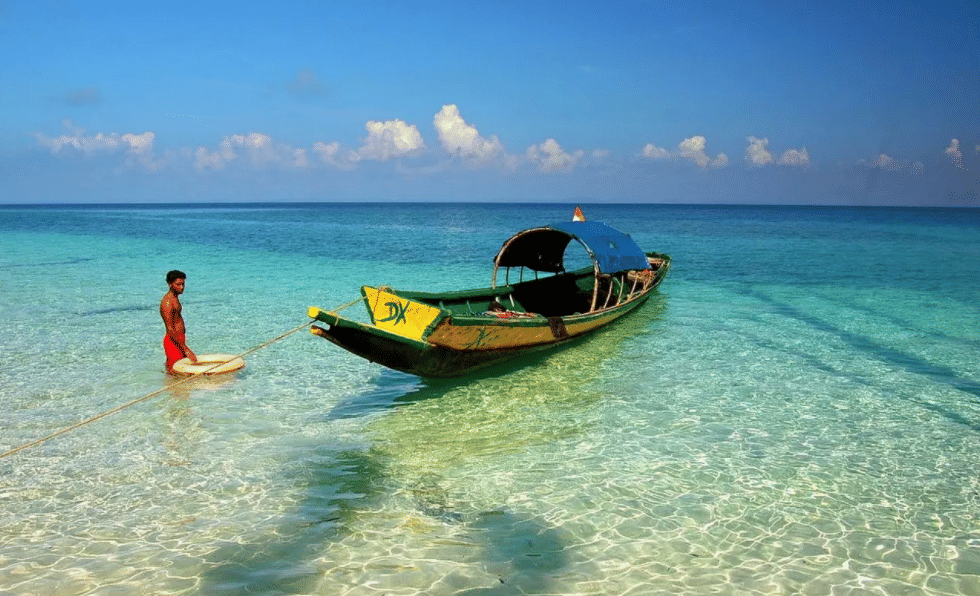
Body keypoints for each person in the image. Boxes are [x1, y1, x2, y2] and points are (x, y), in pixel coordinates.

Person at [160, 270, 197, 372]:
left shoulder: (174, 298)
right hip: (173, 341)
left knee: (175, 371)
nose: (181, 287)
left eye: (183, 284)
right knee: (176, 372)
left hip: (179, 339)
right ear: (170, 284)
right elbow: (170, 329)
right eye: (178, 284)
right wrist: (186, 349)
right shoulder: (167, 303)